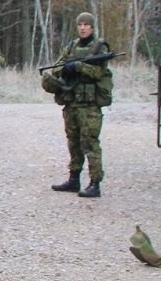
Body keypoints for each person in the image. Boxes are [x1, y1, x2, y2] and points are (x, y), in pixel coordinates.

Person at [44, 12, 113, 198]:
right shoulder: (71, 46)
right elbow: (57, 67)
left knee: (90, 143)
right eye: (79, 24)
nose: (82, 27)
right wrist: (66, 68)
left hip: (89, 106)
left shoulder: (99, 47)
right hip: (71, 103)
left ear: (92, 27)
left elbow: (99, 73)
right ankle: (74, 179)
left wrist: (79, 67)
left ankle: (95, 183)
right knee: (73, 142)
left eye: (86, 24)